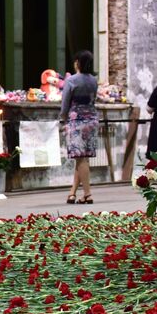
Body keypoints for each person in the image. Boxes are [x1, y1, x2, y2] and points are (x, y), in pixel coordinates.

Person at [60, 50, 98, 205]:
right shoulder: (94, 80)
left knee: (80, 158)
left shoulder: (72, 80)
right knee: (82, 158)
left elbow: (65, 103)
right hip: (92, 120)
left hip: (76, 121)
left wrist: (63, 118)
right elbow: (93, 100)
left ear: (78, 63)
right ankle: (72, 194)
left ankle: (88, 194)